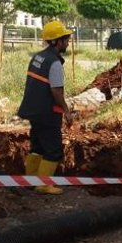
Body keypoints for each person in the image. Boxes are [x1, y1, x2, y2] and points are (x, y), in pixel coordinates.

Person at [17, 20, 74, 195]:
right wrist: (66, 110)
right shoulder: (54, 63)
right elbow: (56, 91)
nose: (67, 42)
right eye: (65, 39)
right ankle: (43, 185)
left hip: (33, 110)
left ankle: (31, 181)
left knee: (37, 147)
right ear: (56, 41)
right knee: (53, 150)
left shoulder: (38, 57)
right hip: (48, 112)